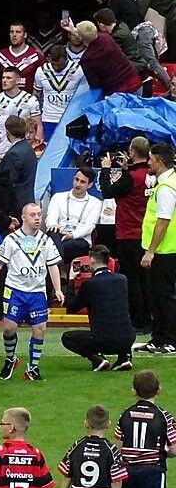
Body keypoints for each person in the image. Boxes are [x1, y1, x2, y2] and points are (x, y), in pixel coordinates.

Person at [0, 203, 63, 382]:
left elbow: (53, 265)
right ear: (23, 217)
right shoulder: (11, 240)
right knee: (9, 328)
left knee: (40, 329)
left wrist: (57, 289)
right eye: (33, 214)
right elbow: (0, 262)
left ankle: (33, 368)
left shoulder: (46, 241)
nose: (37, 218)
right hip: (15, 290)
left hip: (37, 292)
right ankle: (10, 358)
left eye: (39, 215)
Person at [99, 138, 152, 332]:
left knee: (132, 279)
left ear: (133, 152)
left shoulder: (132, 177)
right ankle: (148, 318)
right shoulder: (151, 174)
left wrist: (105, 170)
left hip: (129, 232)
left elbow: (108, 191)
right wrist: (126, 168)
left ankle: (138, 321)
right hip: (146, 232)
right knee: (146, 279)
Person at [62, 244, 136, 370]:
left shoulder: (90, 284)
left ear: (91, 260)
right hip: (128, 337)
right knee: (119, 322)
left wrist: (71, 281)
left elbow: (71, 307)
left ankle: (97, 359)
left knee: (67, 337)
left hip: (103, 340)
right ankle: (124, 357)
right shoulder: (122, 280)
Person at [139, 143, 176, 355]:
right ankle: (159, 338)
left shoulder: (166, 189)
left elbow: (163, 221)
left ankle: (170, 339)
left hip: (164, 251)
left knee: (165, 297)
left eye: (151, 159)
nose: (148, 163)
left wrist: (150, 250)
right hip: (166, 249)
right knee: (158, 296)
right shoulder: (168, 182)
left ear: (160, 162)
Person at [46, 167, 102, 264]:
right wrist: (55, 226)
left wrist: (72, 235)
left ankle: (57, 267)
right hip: (59, 234)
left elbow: (89, 226)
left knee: (55, 247)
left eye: (82, 182)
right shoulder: (58, 197)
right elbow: (51, 217)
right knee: (52, 232)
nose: (78, 184)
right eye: (76, 179)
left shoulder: (95, 203)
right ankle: (59, 268)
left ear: (90, 185)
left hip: (79, 239)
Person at [0, 116, 36, 224]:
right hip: (28, 200)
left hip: (16, 207)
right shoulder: (28, 148)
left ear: (8, 132)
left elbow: (8, 183)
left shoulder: (14, 154)